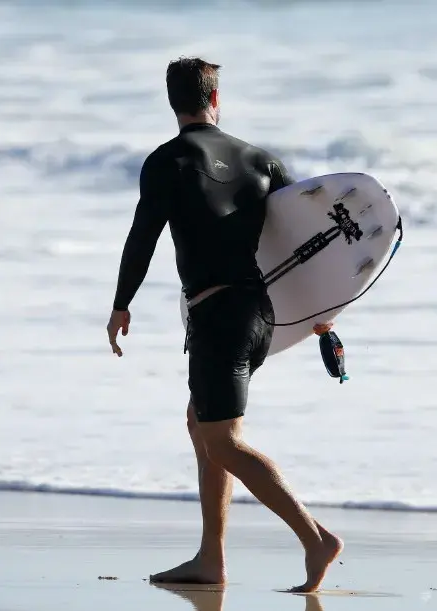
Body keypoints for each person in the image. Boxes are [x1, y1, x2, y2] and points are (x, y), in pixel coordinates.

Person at [106, 57, 343, 592]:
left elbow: (143, 235)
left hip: (216, 316)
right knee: (203, 426)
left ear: (173, 102)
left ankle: (315, 538)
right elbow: (303, 238)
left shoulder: (168, 161)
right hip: (261, 313)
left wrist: (122, 303)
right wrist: (323, 314)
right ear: (217, 98)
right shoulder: (260, 159)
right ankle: (211, 558)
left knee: (223, 442)